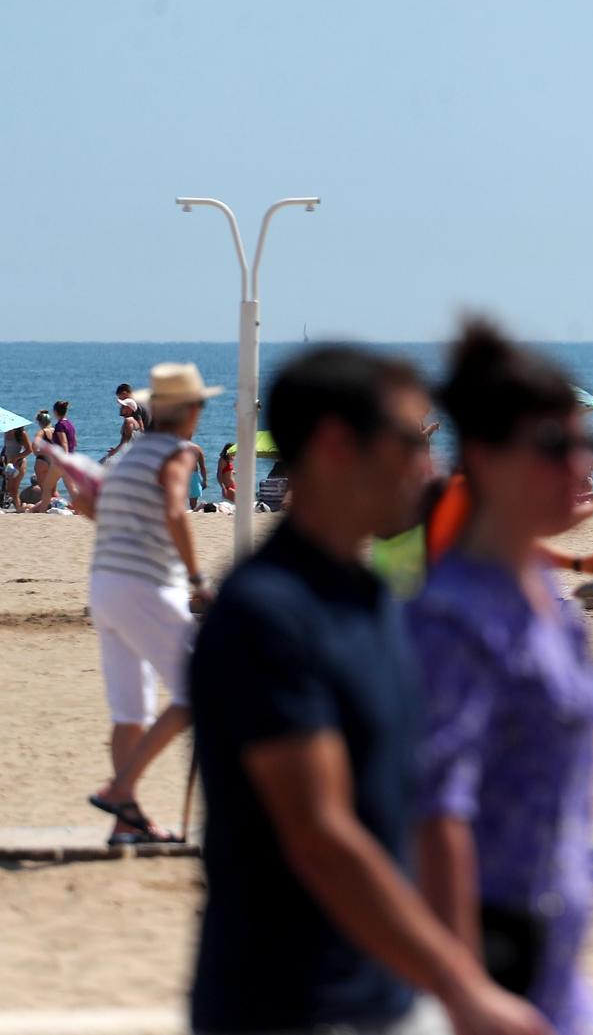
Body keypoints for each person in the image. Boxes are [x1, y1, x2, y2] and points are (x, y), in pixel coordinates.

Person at [186, 344, 548, 1035]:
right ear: (334, 445)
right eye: (413, 441)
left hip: (388, 991)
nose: (431, 467)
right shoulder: (267, 613)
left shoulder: (371, 599)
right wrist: (461, 984)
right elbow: (319, 831)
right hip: (289, 1007)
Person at [409, 322, 593, 1034]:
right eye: (555, 448)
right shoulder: (455, 620)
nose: (579, 463)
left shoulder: (545, 601)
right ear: (488, 458)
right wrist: (463, 988)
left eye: (587, 445)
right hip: (492, 962)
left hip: (555, 957)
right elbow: (434, 811)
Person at [81, 364, 220, 844]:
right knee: (199, 688)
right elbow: (173, 509)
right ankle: (120, 790)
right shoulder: (178, 453)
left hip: (104, 586)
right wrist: (200, 579)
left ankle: (125, 822)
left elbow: (90, 508)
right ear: (190, 411)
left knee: (130, 711)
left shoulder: (127, 458)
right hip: (146, 585)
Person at [103, 397, 145, 463]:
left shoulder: (129, 421)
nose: (120, 408)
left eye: (123, 406)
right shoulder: (134, 421)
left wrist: (114, 452)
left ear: (129, 409)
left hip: (132, 456)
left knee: (102, 464)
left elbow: (125, 442)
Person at [2, 424, 30, 510]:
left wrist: (16, 457)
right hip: (9, 463)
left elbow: (29, 450)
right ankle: (19, 506)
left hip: (19, 463)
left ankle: (19, 508)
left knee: (15, 487)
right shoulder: (6, 432)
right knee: (9, 488)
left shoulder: (22, 433)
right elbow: (7, 448)